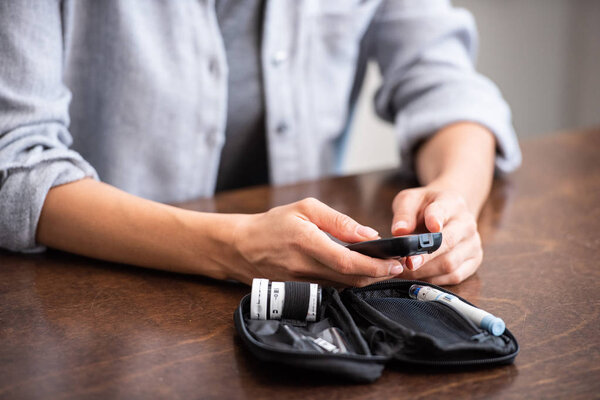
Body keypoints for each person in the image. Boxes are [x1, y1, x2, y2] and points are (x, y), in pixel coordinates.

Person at [0, 1, 521, 287]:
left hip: (309, 303)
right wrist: (235, 247)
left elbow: (447, 84)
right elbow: (15, 162)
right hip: (95, 289)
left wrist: (456, 196)